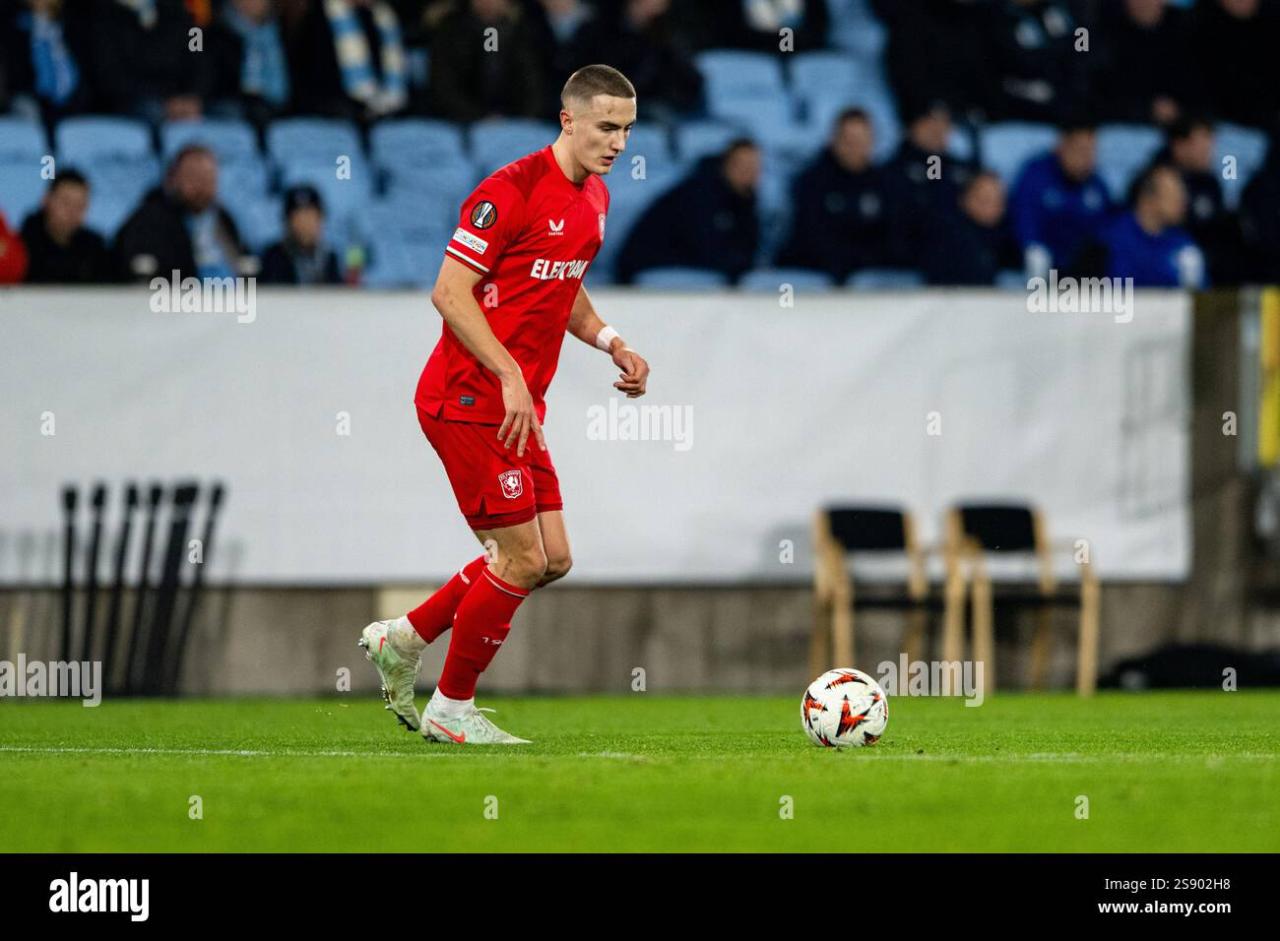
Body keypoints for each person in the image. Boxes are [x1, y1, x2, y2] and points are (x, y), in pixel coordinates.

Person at [358, 65, 650, 745]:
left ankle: (405, 635)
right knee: (518, 558)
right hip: (466, 399)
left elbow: (563, 287)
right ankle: (451, 707)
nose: (618, 142)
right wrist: (510, 373)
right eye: (607, 126)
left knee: (552, 558)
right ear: (567, 118)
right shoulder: (508, 191)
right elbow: (449, 293)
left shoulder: (595, 199)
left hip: (517, 407)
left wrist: (611, 341)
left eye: (628, 130)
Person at [614, 137, 761, 284]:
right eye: (741, 165)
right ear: (725, 164)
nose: (748, 172)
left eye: (754, 166)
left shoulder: (743, 200)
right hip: (651, 271)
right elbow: (706, 248)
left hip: (684, 268)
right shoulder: (699, 195)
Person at [777, 107, 891, 280]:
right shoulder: (812, 182)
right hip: (817, 276)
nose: (855, 148)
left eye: (861, 140)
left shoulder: (886, 184)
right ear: (834, 140)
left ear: (872, 142)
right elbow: (810, 237)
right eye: (849, 140)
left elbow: (893, 235)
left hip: (870, 274)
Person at [113, 144, 251, 282]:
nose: (202, 186)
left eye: (209, 178)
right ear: (172, 180)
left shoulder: (223, 218)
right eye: (194, 177)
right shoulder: (149, 221)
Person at [1008, 120, 1112, 275]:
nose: (1086, 158)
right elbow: (1024, 218)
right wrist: (1032, 246)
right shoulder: (1036, 174)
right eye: (1080, 150)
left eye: (1091, 151)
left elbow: (1104, 229)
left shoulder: (1097, 185)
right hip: (1039, 261)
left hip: (1081, 269)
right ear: (1061, 146)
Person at [1080, 164, 1206, 288]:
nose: (1182, 202)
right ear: (1148, 198)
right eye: (1173, 195)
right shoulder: (1108, 242)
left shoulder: (1185, 247)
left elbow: (1200, 299)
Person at [923, 171, 1020, 285]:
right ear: (964, 200)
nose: (993, 207)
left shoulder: (1009, 236)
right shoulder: (947, 241)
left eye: (999, 200)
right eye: (984, 200)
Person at [19, 169, 112, 283]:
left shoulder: (97, 251)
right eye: (65, 202)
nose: (72, 212)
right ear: (46, 200)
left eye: (80, 206)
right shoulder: (21, 250)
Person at [260, 185, 342, 285]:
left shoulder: (329, 259)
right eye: (298, 218)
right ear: (287, 223)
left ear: (320, 219)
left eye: (310, 217)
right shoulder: (273, 259)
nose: (305, 225)